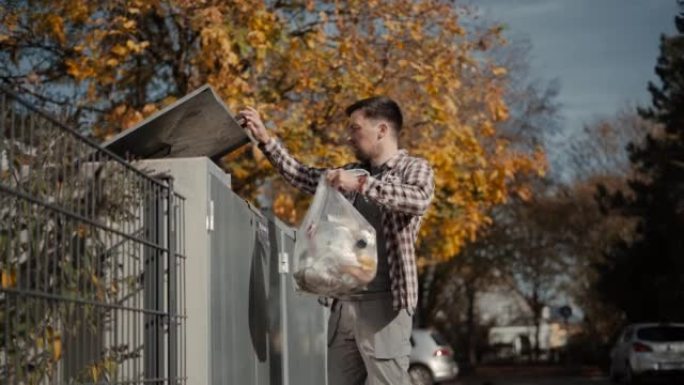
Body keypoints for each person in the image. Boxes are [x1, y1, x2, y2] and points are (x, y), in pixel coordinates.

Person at [239, 96, 435, 385]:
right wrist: (265, 139)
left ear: (381, 130)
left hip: (385, 305)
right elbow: (302, 175)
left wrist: (360, 184)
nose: (349, 136)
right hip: (344, 304)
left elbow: (417, 200)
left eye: (355, 128)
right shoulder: (352, 171)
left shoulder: (413, 169)